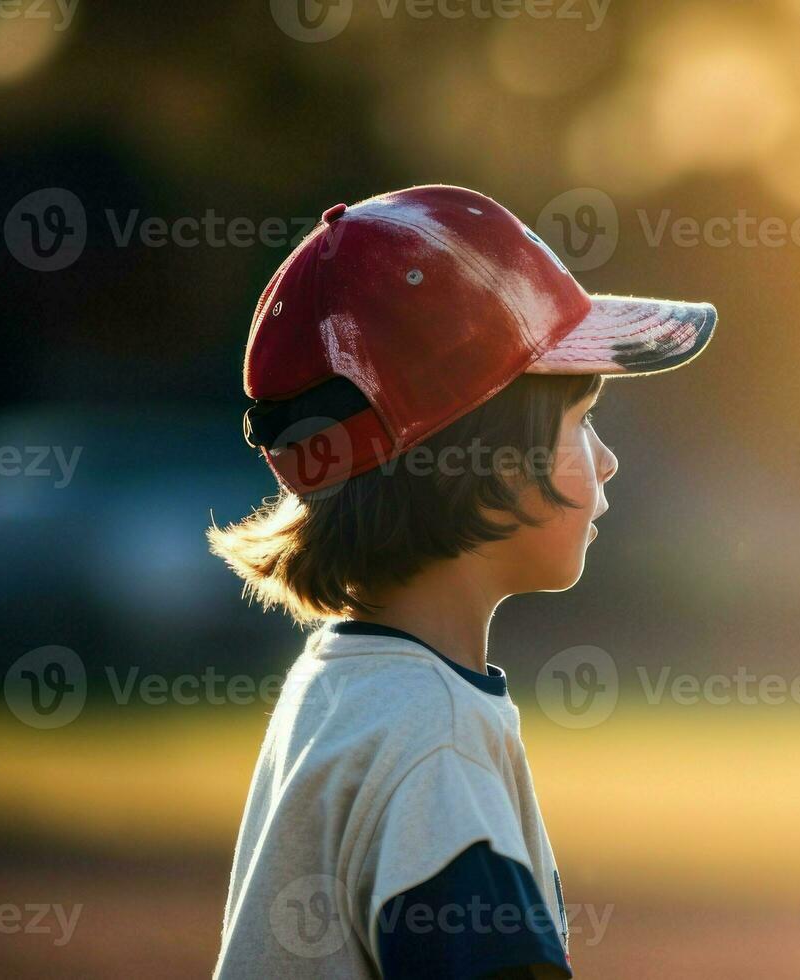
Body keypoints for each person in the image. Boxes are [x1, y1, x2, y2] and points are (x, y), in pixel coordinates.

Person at [208, 184, 717, 978]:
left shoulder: (341, 687)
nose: (607, 460)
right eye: (580, 420)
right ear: (480, 459)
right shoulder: (434, 746)